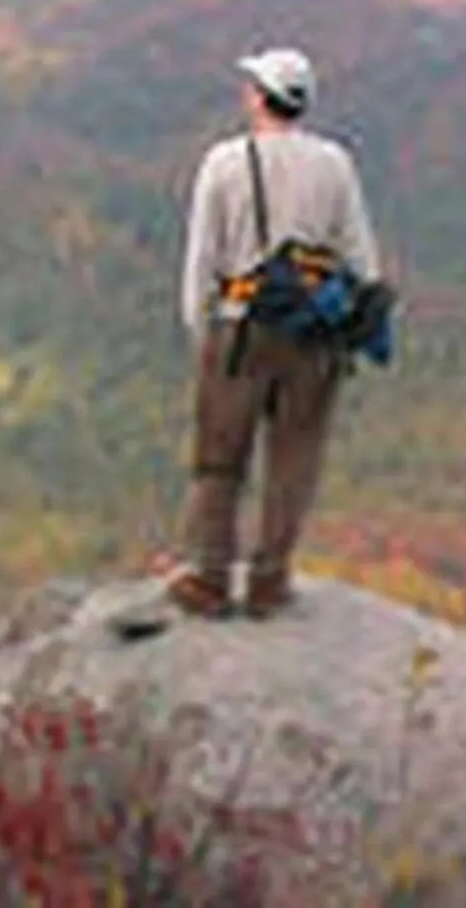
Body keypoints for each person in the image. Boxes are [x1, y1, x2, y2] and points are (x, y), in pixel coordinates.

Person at [168, 46, 381, 619]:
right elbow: (362, 262)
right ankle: (269, 580)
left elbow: (202, 259)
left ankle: (210, 578)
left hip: (240, 326)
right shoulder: (335, 163)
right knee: (294, 460)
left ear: (260, 97)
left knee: (220, 460)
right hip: (313, 336)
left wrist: (203, 332)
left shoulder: (225, 162)